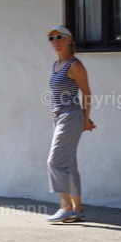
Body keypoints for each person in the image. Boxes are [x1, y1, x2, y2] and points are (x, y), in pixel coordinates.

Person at [45, 26, 95, 223]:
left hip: (70, 115)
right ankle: (77, 209)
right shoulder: (56, 64)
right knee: (69, 163)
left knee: (55, 161)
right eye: (51, 38)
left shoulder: (75, 65)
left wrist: (85, 118)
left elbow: (87, 93)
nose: (55, 41)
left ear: (69, 40)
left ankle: (65, 207)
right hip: (57, 116)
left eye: (59, 37)